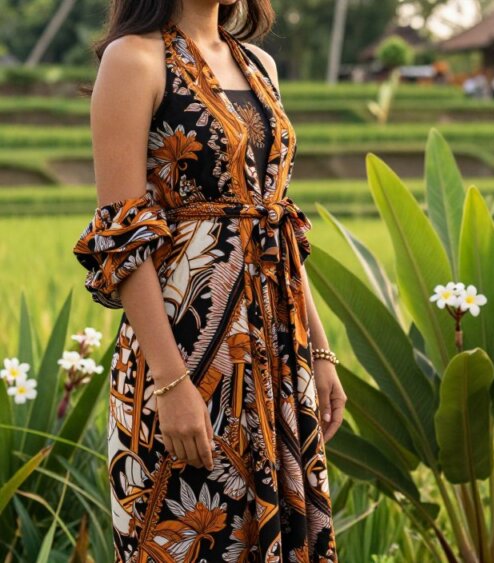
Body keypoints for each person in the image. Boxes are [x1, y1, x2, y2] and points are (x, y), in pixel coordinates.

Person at [71, 0, 346, 560]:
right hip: (184, 356)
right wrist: (172, 388)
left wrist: (319, 350)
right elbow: (122, 238)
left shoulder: (258, 65)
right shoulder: (134, 59)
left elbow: (277, 219)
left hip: (275, 358)